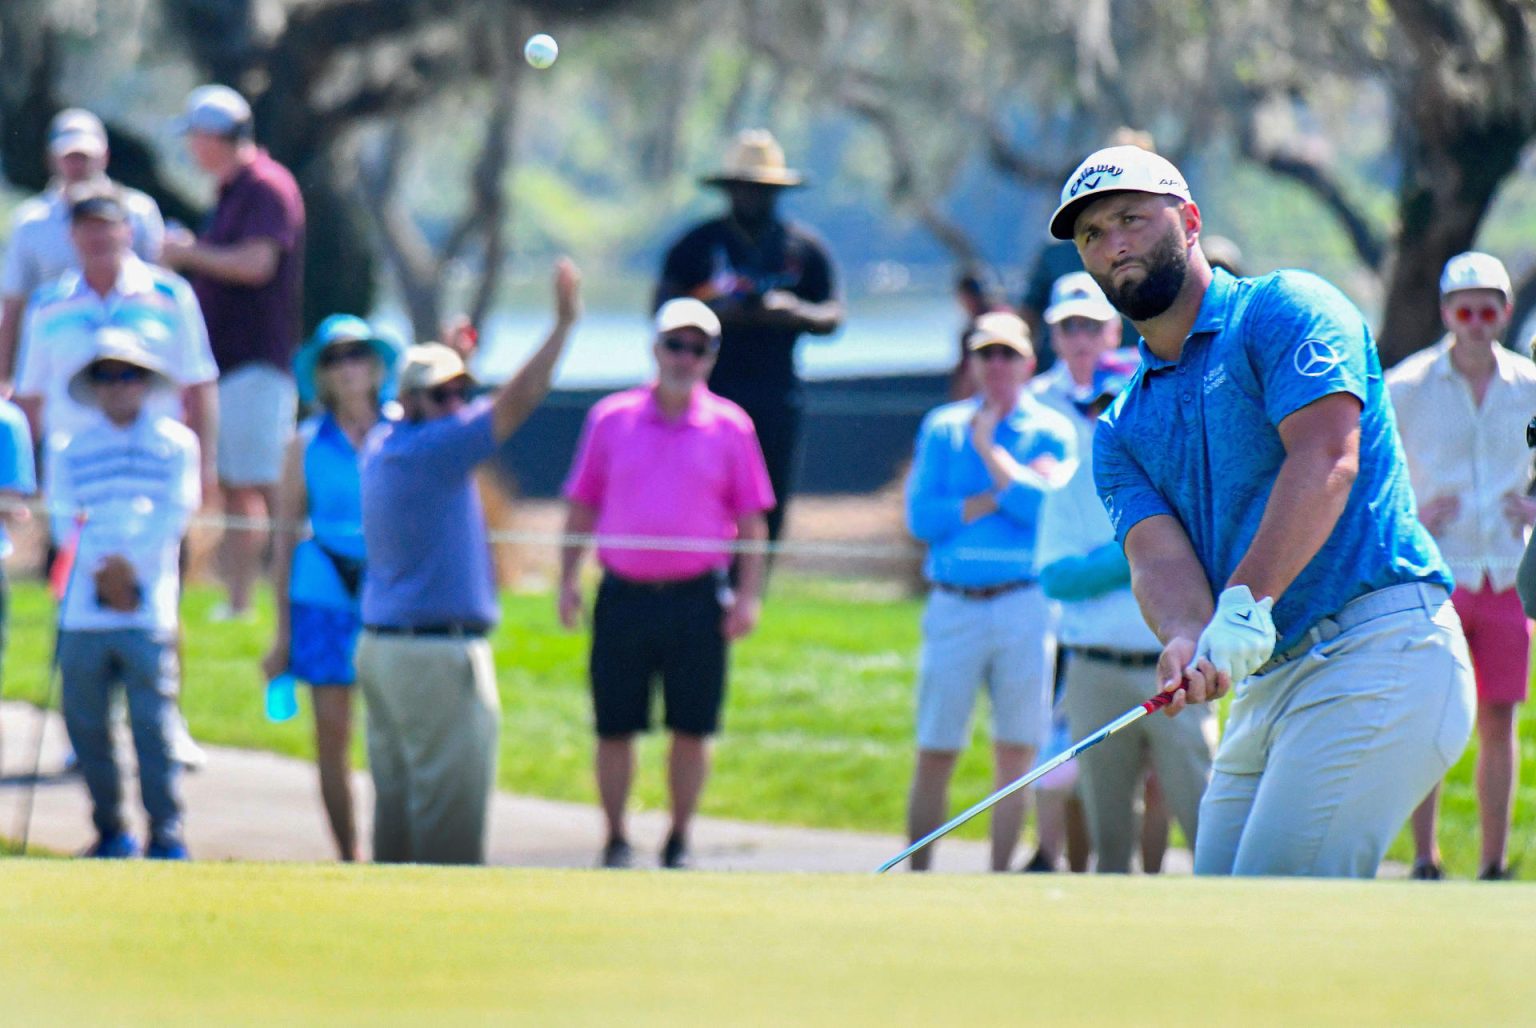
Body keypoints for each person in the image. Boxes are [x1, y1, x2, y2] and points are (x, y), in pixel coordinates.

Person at [1052, 144, 1474, 877]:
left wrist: (1243, 605)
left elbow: (1326, 459)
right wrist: (1187, 635)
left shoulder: (1284, 310)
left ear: (1188, 221)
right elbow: (1157, 558)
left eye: (1131, 219)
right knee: (1219, 905)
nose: (1113, 243)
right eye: (1092, 235)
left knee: (1271, 902)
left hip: (1380, 648)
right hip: (1269, 680)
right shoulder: (1121, 428)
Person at [356, 258, 580, 866]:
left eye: (463, 391)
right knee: (447, 831)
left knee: (399, 815)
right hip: (435, 658)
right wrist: (561, 327)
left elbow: (443, 407)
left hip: (387, 651)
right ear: (411, 401)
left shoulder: (385, 441)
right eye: (443, 394)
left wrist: (449, 365)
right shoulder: (436, 450)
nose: (459, 403)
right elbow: (522, 398)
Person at [558, 298, 774, 870]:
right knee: (615, 725)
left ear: (710, 358)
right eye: (675, 345)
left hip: (697, 597)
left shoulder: (731, 426)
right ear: (656, 349)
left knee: (691, 726)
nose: (685, 357)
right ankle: (615, 837)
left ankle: (679, 838)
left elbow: (753, 520)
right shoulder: (611, 418)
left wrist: (748, 595)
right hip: (624, 592)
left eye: (697, 348)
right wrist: (566, 579)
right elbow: (583, 503)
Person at [902, 311, 1076, 871]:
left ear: (1028, 362)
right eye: (986, 355)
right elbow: (923, 520)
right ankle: (919, 873)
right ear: (973, 363)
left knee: (1017, 749)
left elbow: (1048, 513)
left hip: (1024, 602)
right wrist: (1006, 489)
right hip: (955, 602)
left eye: (1007, 355)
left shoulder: (1052, 429)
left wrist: (990, 456)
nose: (997, 366)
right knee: (936, 747)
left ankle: (998, 877)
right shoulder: (942, 427)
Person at [1386, 251, 1536, 881]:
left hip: (1504, 570)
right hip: (1435, 570)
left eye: (1488, 309)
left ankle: (1495, 861)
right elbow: (1373, 469)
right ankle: (1425, 857)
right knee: (1433, 712)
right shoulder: (1406, 385)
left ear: (1503, 313)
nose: (1476, 322)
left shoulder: (1530, 386)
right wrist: (1414, 510)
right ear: (1447, 312)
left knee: (1500, 717)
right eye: (1465, 309)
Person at [1036, 350, 1216, 873]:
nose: (1107, 419)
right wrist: (1139, 553)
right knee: (1105, 828)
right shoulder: (1070, 485)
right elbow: (1056, 576)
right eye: (1097, 407)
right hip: (1096, 670)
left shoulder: (1184, 477)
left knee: (1202, 810)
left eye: (1118, 404)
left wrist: (1146, 555)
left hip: (1175, 670)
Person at [51, 327, 200, 859]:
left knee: (152, 727)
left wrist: (128, 571)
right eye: (107, 376)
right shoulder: (70, 447)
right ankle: (112, 830)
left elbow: (175, 514)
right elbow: (62, 520)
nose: (118, 386)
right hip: (85, 611)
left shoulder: (175, 444)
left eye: (129, 375)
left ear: (145, 382)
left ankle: (168, 833)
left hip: (147, 605)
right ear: (95, 385)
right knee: (87, 727)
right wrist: (101, 570)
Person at [654, 129, 843, 546]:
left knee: (767, 500)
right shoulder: (697, 245)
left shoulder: (803, 248)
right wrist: (718, 313)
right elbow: (661, 309)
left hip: (776, 396)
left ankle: (752, 590)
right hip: (708, 394)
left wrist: (788, 312)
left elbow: (832, 315)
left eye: (762, 190)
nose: (753, 198)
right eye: (745, 188)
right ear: (729, 190)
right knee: (704, 491)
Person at [161, 84, 305, 620]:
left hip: (256, 365)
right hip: (228, 365)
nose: (193, 149)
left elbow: (256, 264)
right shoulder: (232, 191)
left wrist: (188, 253)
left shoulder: (266, 187)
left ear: (218, 137)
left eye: (197, 138)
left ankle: (292, 594)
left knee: (265, 487)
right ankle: (241, 602)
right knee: (237, 487)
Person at [261, 317, 399, 862]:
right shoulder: (305, 443)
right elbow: (284, 537)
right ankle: (350, 857)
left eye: (358, 354)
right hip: (321, 595)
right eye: (335, 358)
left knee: (393, 737)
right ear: (321, 372)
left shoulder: (400, 430)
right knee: (332, 737)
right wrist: (281, 633)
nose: (348, 368)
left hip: (388, 598)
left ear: (376, 365)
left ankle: (397, 852)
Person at [0, 108, 164, 391]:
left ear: (105, 157)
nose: (77, 165)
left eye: (84, 157)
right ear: (53, 159)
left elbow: (159, 289)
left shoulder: (139, 211)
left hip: (129, 364)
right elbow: (14, 304)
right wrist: (4, 376)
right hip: (54, 356)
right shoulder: (31, 222)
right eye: (70, 157)